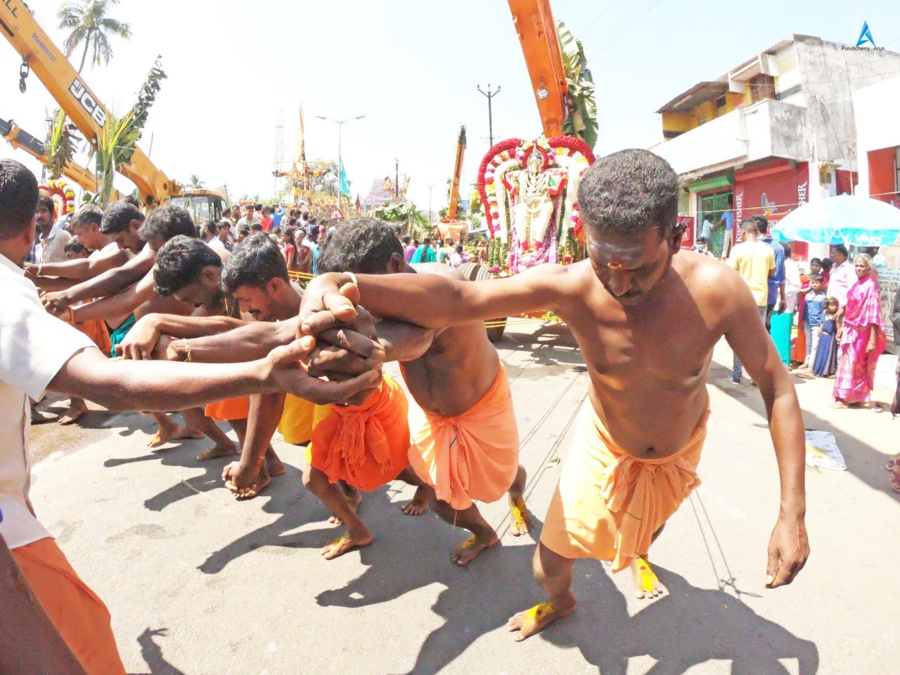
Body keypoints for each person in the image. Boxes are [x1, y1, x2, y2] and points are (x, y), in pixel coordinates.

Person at [300, 149, 809, 640]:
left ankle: (639, 549)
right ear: (585, 236)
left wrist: (792, 514)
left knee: (640, 537)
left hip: (678, 452)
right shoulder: (572, 287)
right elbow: (461, 297)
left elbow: (778, 388)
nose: (619, 281)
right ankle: (562, 602)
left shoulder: (718, 291)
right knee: (546, 569)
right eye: (604, 260)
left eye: (637, 265)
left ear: (674, 238)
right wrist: (338, 282)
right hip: (603, 446)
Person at [0, 158, 378, 673]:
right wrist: (254, 371)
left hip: (350, 402)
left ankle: (356, 510)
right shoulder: (240, 296)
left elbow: (224, 337)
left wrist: (255, 378)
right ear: (30, 229)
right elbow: (238, 337)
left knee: (340, 467)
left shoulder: (270, 290)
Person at [316, 219, 532, 564]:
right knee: (441, 503)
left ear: (395, 266)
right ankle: (486, 534)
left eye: (363, 294)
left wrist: (338, 351)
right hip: (431, 416)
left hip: (482, 410)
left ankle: (517, 496)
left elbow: (406, 340)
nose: (358, 311)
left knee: (507, 475)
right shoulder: (387, 301)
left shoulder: (445, 288)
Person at [833, 253, 886, 409]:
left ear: (869, 268)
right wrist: (842, 327)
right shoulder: (856, 284)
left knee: (855, 363)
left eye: (862, 266)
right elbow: (849, 309)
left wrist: (872, 339)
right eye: (856, 265)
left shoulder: (870, 286)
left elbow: (874, 314)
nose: (858, 269)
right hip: (850, 328)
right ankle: (860, 398)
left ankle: (846, 397)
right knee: (849, 362)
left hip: (863, 332)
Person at [727, 218, 775, 384]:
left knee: (738, 337)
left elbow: (730, 273)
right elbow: (772, 272)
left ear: (744, 232)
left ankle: (737, 375)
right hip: (761, 298)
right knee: (758, 339)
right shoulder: (768, 250)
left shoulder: (738, 250)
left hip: (742, 299)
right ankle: (757, 377)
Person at [770, 242, 800, 365]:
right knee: (773, 336)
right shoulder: (775, 264)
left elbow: (796, 286)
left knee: (782, 336)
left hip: (785, 306)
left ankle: (783, 362)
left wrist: (781, 292)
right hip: (773, 304)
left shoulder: (791, 266)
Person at [756, 215, 786, 328]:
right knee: (766, 328)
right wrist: (783, 298)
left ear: (755, 229)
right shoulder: (778, 248)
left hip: (754, 294)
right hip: (771, 296)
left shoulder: (751, 247)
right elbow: (781, 276)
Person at [32, 194, 72, 265]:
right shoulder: (38, 245)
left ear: (52, 214)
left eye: (43, 211)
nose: (39, 215)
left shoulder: (63, 237)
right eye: (36, 212)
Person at [799, 275, 827, 371]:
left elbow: (823, 312)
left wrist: (821, 325)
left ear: (822, 284)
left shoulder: (823, 297)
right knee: (808, 343)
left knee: (815, 345)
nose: (815, 285)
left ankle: (812, 365)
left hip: (817, 324)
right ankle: (806, 362)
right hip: (808, 322)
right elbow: (805, 309)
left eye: (817, 283)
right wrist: (803, 320)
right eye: (813, 282)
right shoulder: (808, 295)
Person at [812, 297, 839, 378]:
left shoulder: (836, 316)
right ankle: (818, 369)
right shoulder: (824, 313)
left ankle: (826, 371)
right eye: (831, 305)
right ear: (827, 306)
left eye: (835, 305)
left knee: (828, 353)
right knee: (821, 352)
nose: (834, 307)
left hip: (830, 337)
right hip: (823, 335)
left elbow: (837, 326)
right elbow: (822, 322)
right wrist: (820, 329)